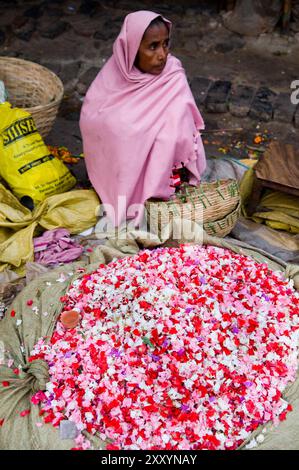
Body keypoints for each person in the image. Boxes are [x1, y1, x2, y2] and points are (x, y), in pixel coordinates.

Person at [80, 10, 206, 228]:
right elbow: (94, 120)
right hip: (119, 169)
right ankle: (123, 188)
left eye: (166, 44)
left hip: (169, 169)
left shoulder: (172, 73)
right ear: (131, 48)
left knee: (168, 131)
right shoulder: (112, 78)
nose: (162, 54)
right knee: (120, 130)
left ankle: (158, 191)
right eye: (152, 46)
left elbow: (183, 122)